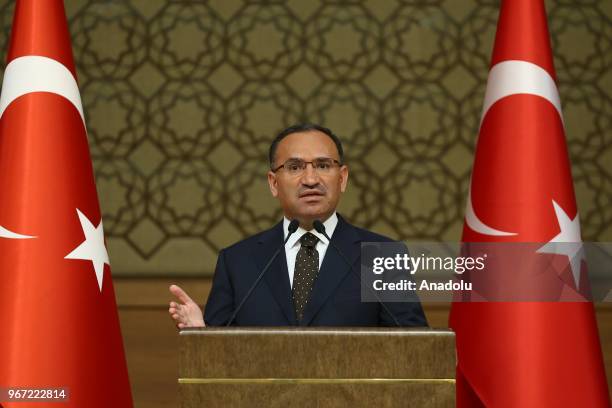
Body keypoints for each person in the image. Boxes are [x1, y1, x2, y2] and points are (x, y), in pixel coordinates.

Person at [168, 124, 427, 327]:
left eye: (323, 165)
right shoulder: (237, 262)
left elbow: (413, 350)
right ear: (273, 183)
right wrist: (201, 335)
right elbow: (218, 360)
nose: (311, 179)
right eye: (294, 167)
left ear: (343, 178)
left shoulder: (383, 256)